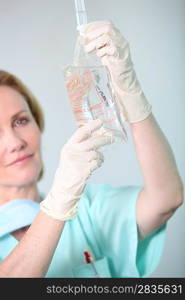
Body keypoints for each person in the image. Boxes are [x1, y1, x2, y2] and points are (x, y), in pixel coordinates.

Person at [0, 20, 183, 278]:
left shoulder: (87, 208)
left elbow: (167, 199)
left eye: (21, 121)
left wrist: (131, 94)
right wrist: (58, 204)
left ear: (37, 122)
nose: (15, 142)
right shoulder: (68, 201)